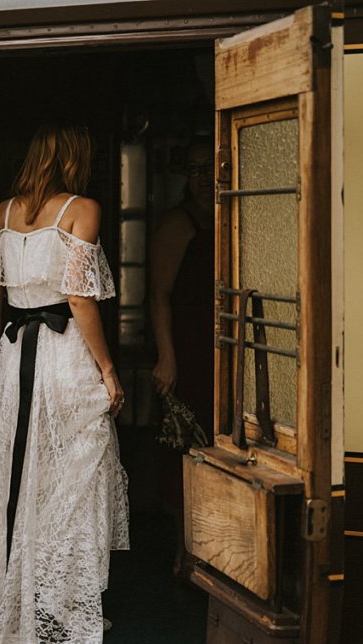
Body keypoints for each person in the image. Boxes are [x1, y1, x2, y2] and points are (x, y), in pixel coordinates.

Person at [0, 123, 130, 644]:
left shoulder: (4, 212)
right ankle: (60, 610)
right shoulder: (82, 208)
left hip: (14, 358)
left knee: (14, 479)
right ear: (76, 159)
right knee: (71, 481)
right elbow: (79, 300)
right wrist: (107, 369)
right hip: (63, 361)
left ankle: (16, 611)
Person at [149, 138, 215, 576]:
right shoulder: (178, 223)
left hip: (224, 344)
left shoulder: (232, 212)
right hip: (189, 344)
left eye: (210, 168)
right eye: (193, 170)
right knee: (188, 448)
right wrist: (167, 357)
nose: (203, 179)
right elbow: (159, 295)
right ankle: (186, 553)